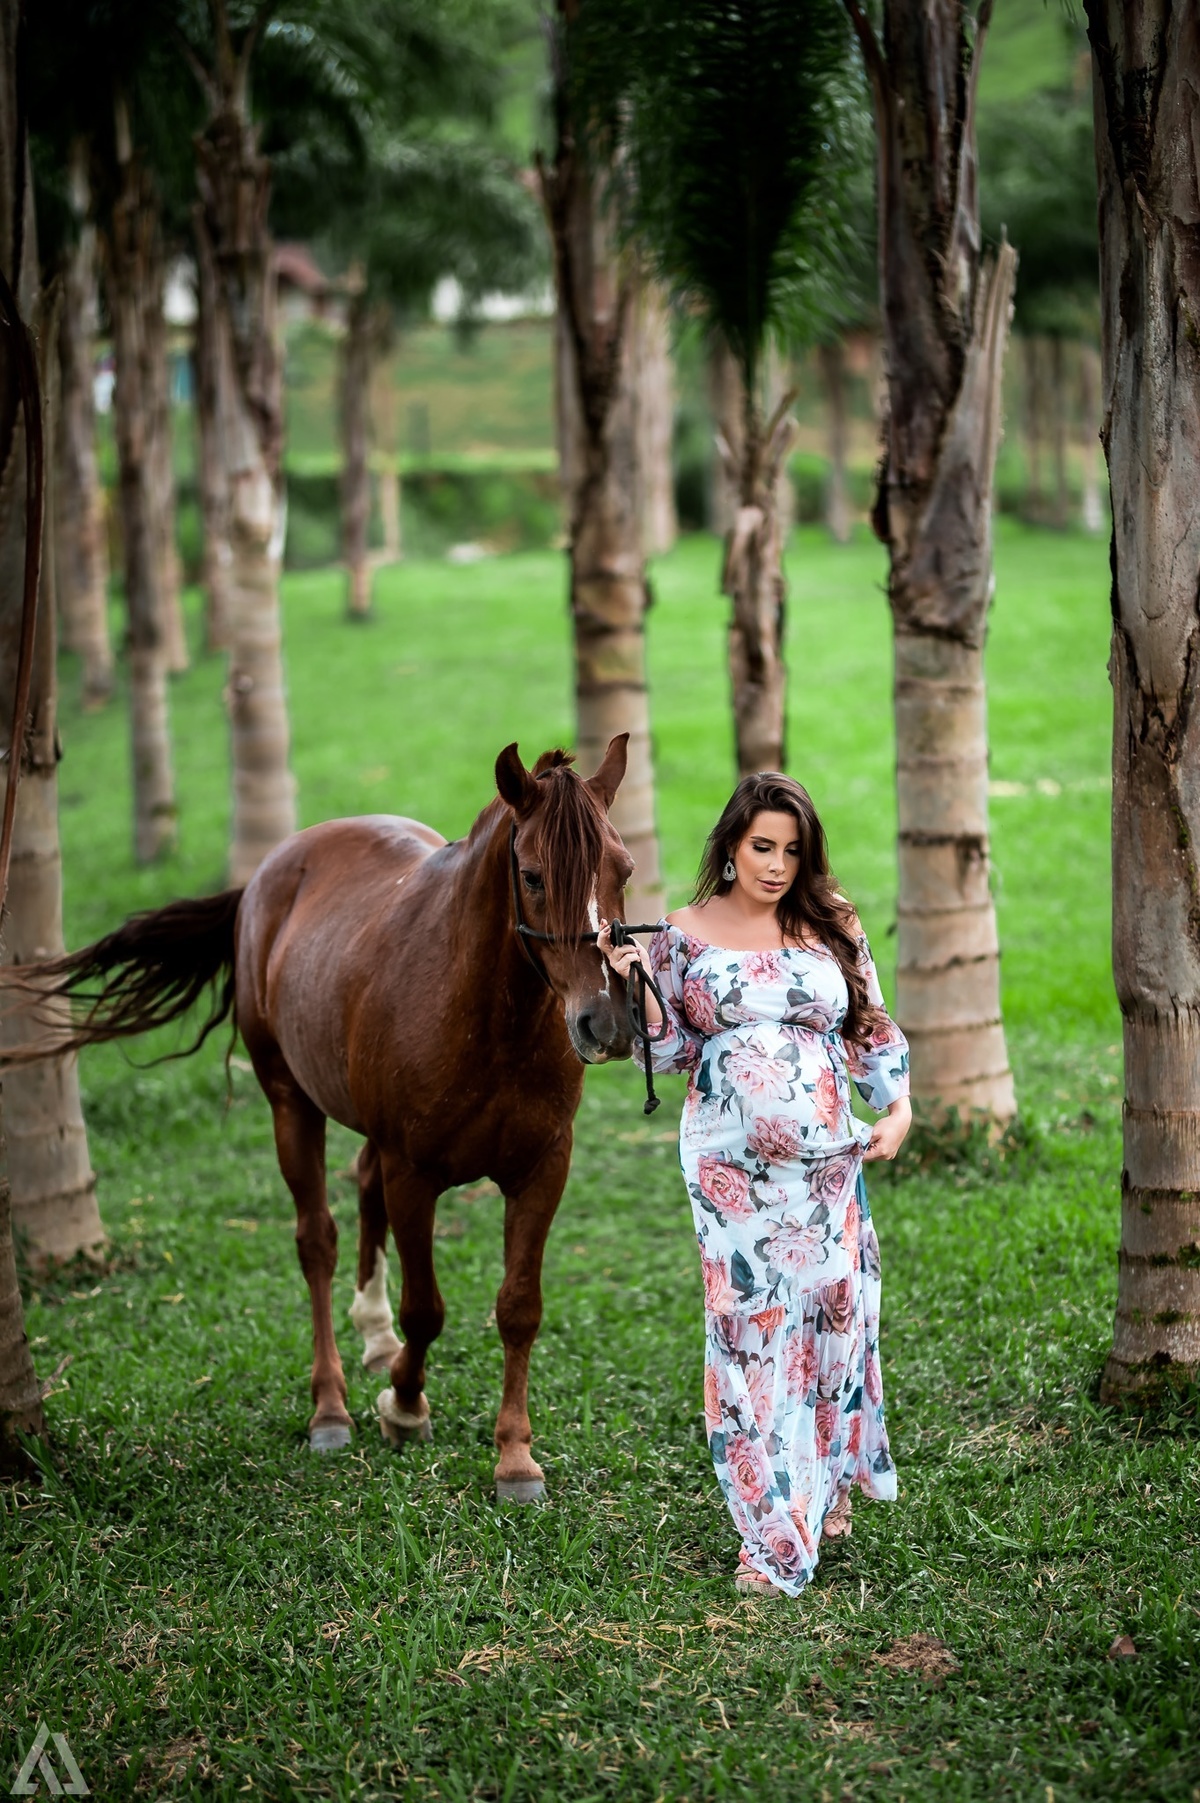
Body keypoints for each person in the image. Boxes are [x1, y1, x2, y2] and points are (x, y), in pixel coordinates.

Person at [599, 773, 911, 1597]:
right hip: (730, 1172)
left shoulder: (829, 922)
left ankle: (823, 1485)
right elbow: (663, 1055)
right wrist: (635, 984)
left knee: (833, 1313)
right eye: (762, 846)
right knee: (748, 1327)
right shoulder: (681, 934)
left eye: (792, 849)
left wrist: (901, 1105)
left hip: (826, 1168)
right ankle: (768, 1530)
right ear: (732, 844)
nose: (776, 865)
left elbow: (869, 1023)